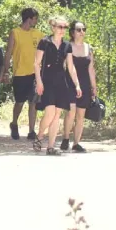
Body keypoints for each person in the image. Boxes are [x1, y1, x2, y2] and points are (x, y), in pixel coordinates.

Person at [33, 16, 82, 155]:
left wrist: (77, 84)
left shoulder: (67, 46)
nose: (62, 30)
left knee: (57, 115)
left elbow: (71, 67)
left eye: (64, 27)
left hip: (61, 82)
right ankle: (40, 135)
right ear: (53, 28)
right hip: (47, 81)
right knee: (49, 113)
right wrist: (39, 82)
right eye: (60, 27)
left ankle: (50, 147)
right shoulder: (44, 42)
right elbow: (36, 64)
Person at [3, 7, 43, 141]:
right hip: (19, 73)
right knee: (19, 102)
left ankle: (32, 131)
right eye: (35, 19)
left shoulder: (38, 34)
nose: (36, 21)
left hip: (34, 73)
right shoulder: (15, 33)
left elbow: (46, 50)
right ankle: (14, 124)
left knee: (33, 102)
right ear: (29, 19)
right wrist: (6, 71)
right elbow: (8, 52)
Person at [60, 21, 97, 153]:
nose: (82, 32)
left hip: (85, 83)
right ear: (72, 32)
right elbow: (66, 66)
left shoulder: (89, 48)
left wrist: (94, 86)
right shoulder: (67, 46)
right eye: (78, 29)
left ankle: (76, 143)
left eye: (83, 29)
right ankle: (65, 138)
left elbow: (91, 69)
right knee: (71, 111)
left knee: (81, 114)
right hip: (70, 83)